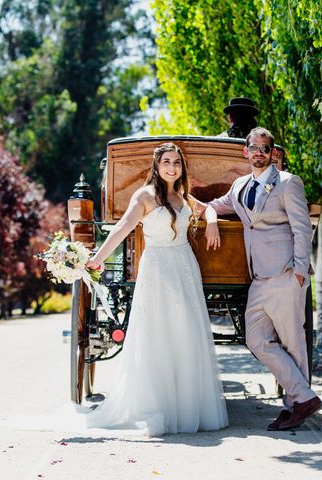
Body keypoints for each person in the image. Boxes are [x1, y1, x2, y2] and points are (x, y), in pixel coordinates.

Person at [83, 142, 228, 436]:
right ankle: (158, 405)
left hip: (185, 266)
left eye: (176, 162)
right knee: (159, 331)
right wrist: (97, 259)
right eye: (166, 162)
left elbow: (208, 209)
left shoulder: (183, 197)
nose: (172, 167)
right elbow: (123, 227)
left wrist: (211, 222)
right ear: (157, 166)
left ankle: (187, 406)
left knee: (186, 330)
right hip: (158, 268)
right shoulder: (145, 196)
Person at [209, 127, 322, 431]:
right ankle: (304, 397)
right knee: (255, 339)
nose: (258, 152)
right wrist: (195, 209)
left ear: (272, 153)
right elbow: (217, 205)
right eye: (253, 147)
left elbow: (302, 228)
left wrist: (300, 271)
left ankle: (295, 405)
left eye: (264, 147)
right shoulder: (239, 186)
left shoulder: (288, 183)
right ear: (245, 152)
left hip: (286, 274)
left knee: (293, 343)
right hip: (258, 277)